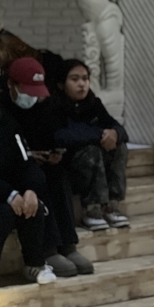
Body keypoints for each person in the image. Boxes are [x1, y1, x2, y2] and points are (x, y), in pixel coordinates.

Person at [0, 57, 94, 277]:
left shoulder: (43, 107)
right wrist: (27, 155)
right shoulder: (0, 108)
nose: (32, 97)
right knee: (36, 179)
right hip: (11, 170)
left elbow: (51, 135)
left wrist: (53, 153)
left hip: (38, 163)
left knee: (57, 175)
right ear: (11, 84)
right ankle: (48, 247)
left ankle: (68, 244)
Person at [0, 70, 56, 292]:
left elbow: (26, 163)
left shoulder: (6, 123)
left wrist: (31, 190)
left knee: (34, 206)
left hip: (5, 199)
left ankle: (35, 264)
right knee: (2, 211)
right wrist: (8, 193)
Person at [51, 59, 129, 231]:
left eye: (85, 79)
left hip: (97, 163)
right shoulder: (54, 105)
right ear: (61, 84)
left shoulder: (93, 103)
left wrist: (114, 133)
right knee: (91, 151)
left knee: (120, 147)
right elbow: (62, 136)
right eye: (75, 79)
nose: (82, 84)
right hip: (70, 165)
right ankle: (92, 210)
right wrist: (100, 134)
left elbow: (118, 128)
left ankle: (111, 206)